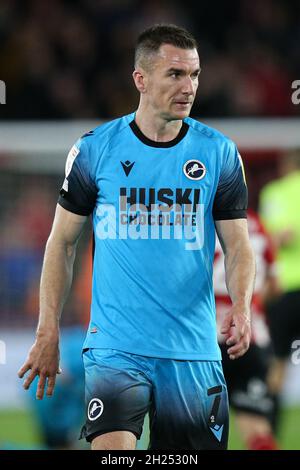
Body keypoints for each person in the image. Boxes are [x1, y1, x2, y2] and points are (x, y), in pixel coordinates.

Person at [18, 24, 255, 450]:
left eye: (195, 75)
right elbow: (62, 242)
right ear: (141, 80)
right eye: (176, 74)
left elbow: (237, 245)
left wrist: (241, 307)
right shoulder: (95, 150)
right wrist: (47, 329)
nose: (189, 87)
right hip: (116, 347)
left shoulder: (218, 153)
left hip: (192, 350)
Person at [214, 208, 280, 450]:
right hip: (250, 336)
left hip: (210, 338)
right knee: (255, 426)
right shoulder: (257, 224)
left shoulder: (202, 223)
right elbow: (275, 285)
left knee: (200, 428)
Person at [259, 150, 300, 419]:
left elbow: (269, 241)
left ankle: (269, 429)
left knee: (278, 361)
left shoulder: (273, 192)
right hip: (287, 287)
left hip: (284, 287)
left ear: (286, 164)